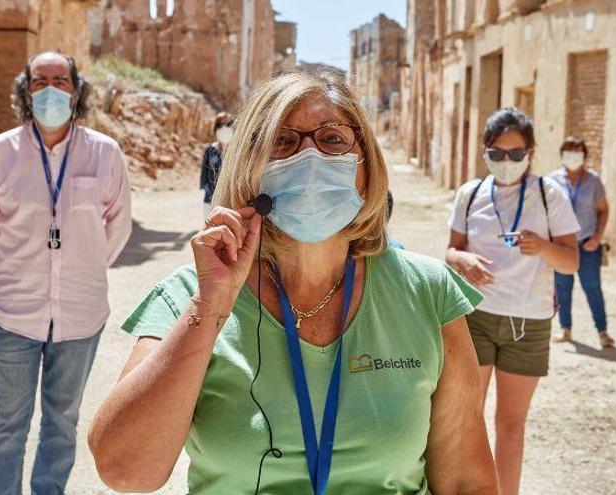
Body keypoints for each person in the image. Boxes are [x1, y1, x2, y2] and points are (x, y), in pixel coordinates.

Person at [88, 72, 498, 494]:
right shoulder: (189, 294)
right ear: (251, 169)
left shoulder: (428, 292)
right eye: (283, 142)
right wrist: (210, 307)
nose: (310, 158)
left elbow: (468, 480)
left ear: (367, 166)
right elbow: (125, 471)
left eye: (332, 140)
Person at [0, 51, 132, 494]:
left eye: (62, 80)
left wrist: (83, 268)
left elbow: (118, 227)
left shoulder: (105, 153)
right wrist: (16, 272)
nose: (52, 90)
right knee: (6, 428)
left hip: (81, 316)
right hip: (13, 315)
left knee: (61, 426)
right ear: (26, 90)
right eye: (40, 81)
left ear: (77, 91)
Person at [445, 107, 580, 495]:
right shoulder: (469, 194)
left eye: (516, 154)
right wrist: (463, 260)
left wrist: (542, 248)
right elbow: (451, 251)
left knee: (511, 424)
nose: (507, 163)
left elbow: (570, 262)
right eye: (499, 154)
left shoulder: (548, 194)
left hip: (529, 322)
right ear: (486, 151)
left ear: (531, 153)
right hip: (476, 315)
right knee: (468, 418)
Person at [547, 137, 614, 347]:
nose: (573, 157)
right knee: (562, 287)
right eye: (569, 152)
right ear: (562, 154)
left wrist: (597, 238)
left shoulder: (593, 181)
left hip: (587, 244)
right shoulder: (552, 181)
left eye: (577, 152)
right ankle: (565, 329)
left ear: (584, 156)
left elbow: (603, 210)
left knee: (593, 288)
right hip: (561, 246)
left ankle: (603, 332)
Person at [200, 112, 232, 218]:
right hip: (210, 200)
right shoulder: (210, 149)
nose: (224, 129)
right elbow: (205, 174)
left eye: (228, 124)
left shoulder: (237, 152)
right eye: (220, 125)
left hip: (230, 203)